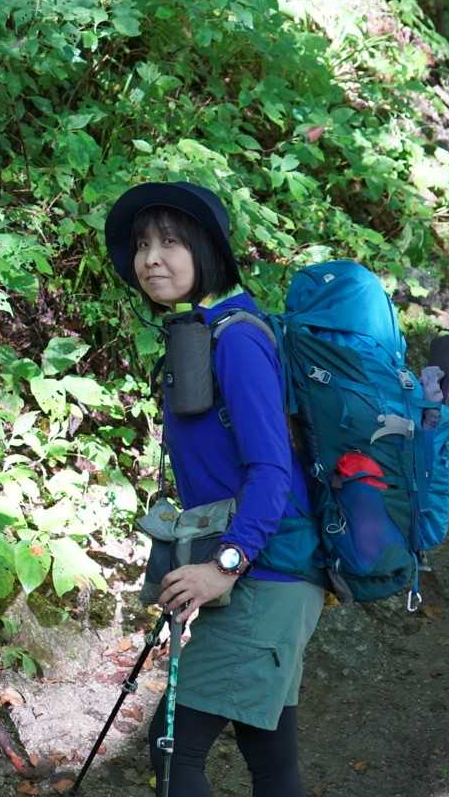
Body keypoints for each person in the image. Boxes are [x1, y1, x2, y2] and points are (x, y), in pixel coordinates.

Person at [103, 182, 325, 797]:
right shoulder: (202, 334)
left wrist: (224, 566)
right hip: (274, 574)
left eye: (170, 242)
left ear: (207, 250)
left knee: (175, 748)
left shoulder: (238, 341)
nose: (151, 259)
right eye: (142, 245)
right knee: (269, 756)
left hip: (264, 574)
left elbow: (272, 470)